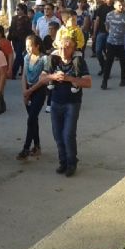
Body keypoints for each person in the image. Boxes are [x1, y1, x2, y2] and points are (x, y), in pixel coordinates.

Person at [35, 38, 92, 177]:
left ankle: (72, 163)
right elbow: (41, 80)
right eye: (60, 48)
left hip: (72, 103)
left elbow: (88, 83)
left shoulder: (78, 62)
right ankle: (63, 161)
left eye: (67, 48)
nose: (63, 51)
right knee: (57, 134)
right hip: (55, 102)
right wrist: (53, 76)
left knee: (68, 134)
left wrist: (69, 79)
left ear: (73, 49)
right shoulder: (53, 60)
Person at [19, 35, 46, 160]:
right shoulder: (26, 57)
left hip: (39, 91)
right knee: (33, 120)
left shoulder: (44, 59)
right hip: (28, 90)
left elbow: (42, 80)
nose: (28, 48)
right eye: (26, 46)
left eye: (30, 46)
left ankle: (26, 148)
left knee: (31, 119)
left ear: (37, 46)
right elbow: (24, 75)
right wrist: (25, 91)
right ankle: (37, 146)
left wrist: (29, 91)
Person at [101, 0, 125, 90]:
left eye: (123, 5)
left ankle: (123, 79)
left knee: (123, 62)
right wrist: (112, 33)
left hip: (123, 43)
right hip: (111, 42)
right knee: (108, 62)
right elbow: (107, 26)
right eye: (119, 5)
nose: (121, 7)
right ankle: (104, 81)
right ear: (115, 5)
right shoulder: (109, 15)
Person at [8, 4, 32, 79]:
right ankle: (24, 70)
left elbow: (28, 30)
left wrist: (28, 39)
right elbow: (11, 28)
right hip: (14, 39)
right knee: (20, 56)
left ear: (23, 10)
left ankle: (13, 72)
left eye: (18, 9)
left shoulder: (27, 19)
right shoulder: (14, 18)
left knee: (18, 55)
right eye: (16, 9)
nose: (17, 11)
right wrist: (9, 38)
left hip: (22, 39)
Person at [92, 0, 114, 74]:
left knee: (108, 53)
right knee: (98, 51)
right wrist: (94, 33)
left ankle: (107, 70)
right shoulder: (101, 7)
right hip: (101, 32)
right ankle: (103, 66)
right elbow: (97, 20)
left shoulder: (115, 8)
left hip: (111, 33)